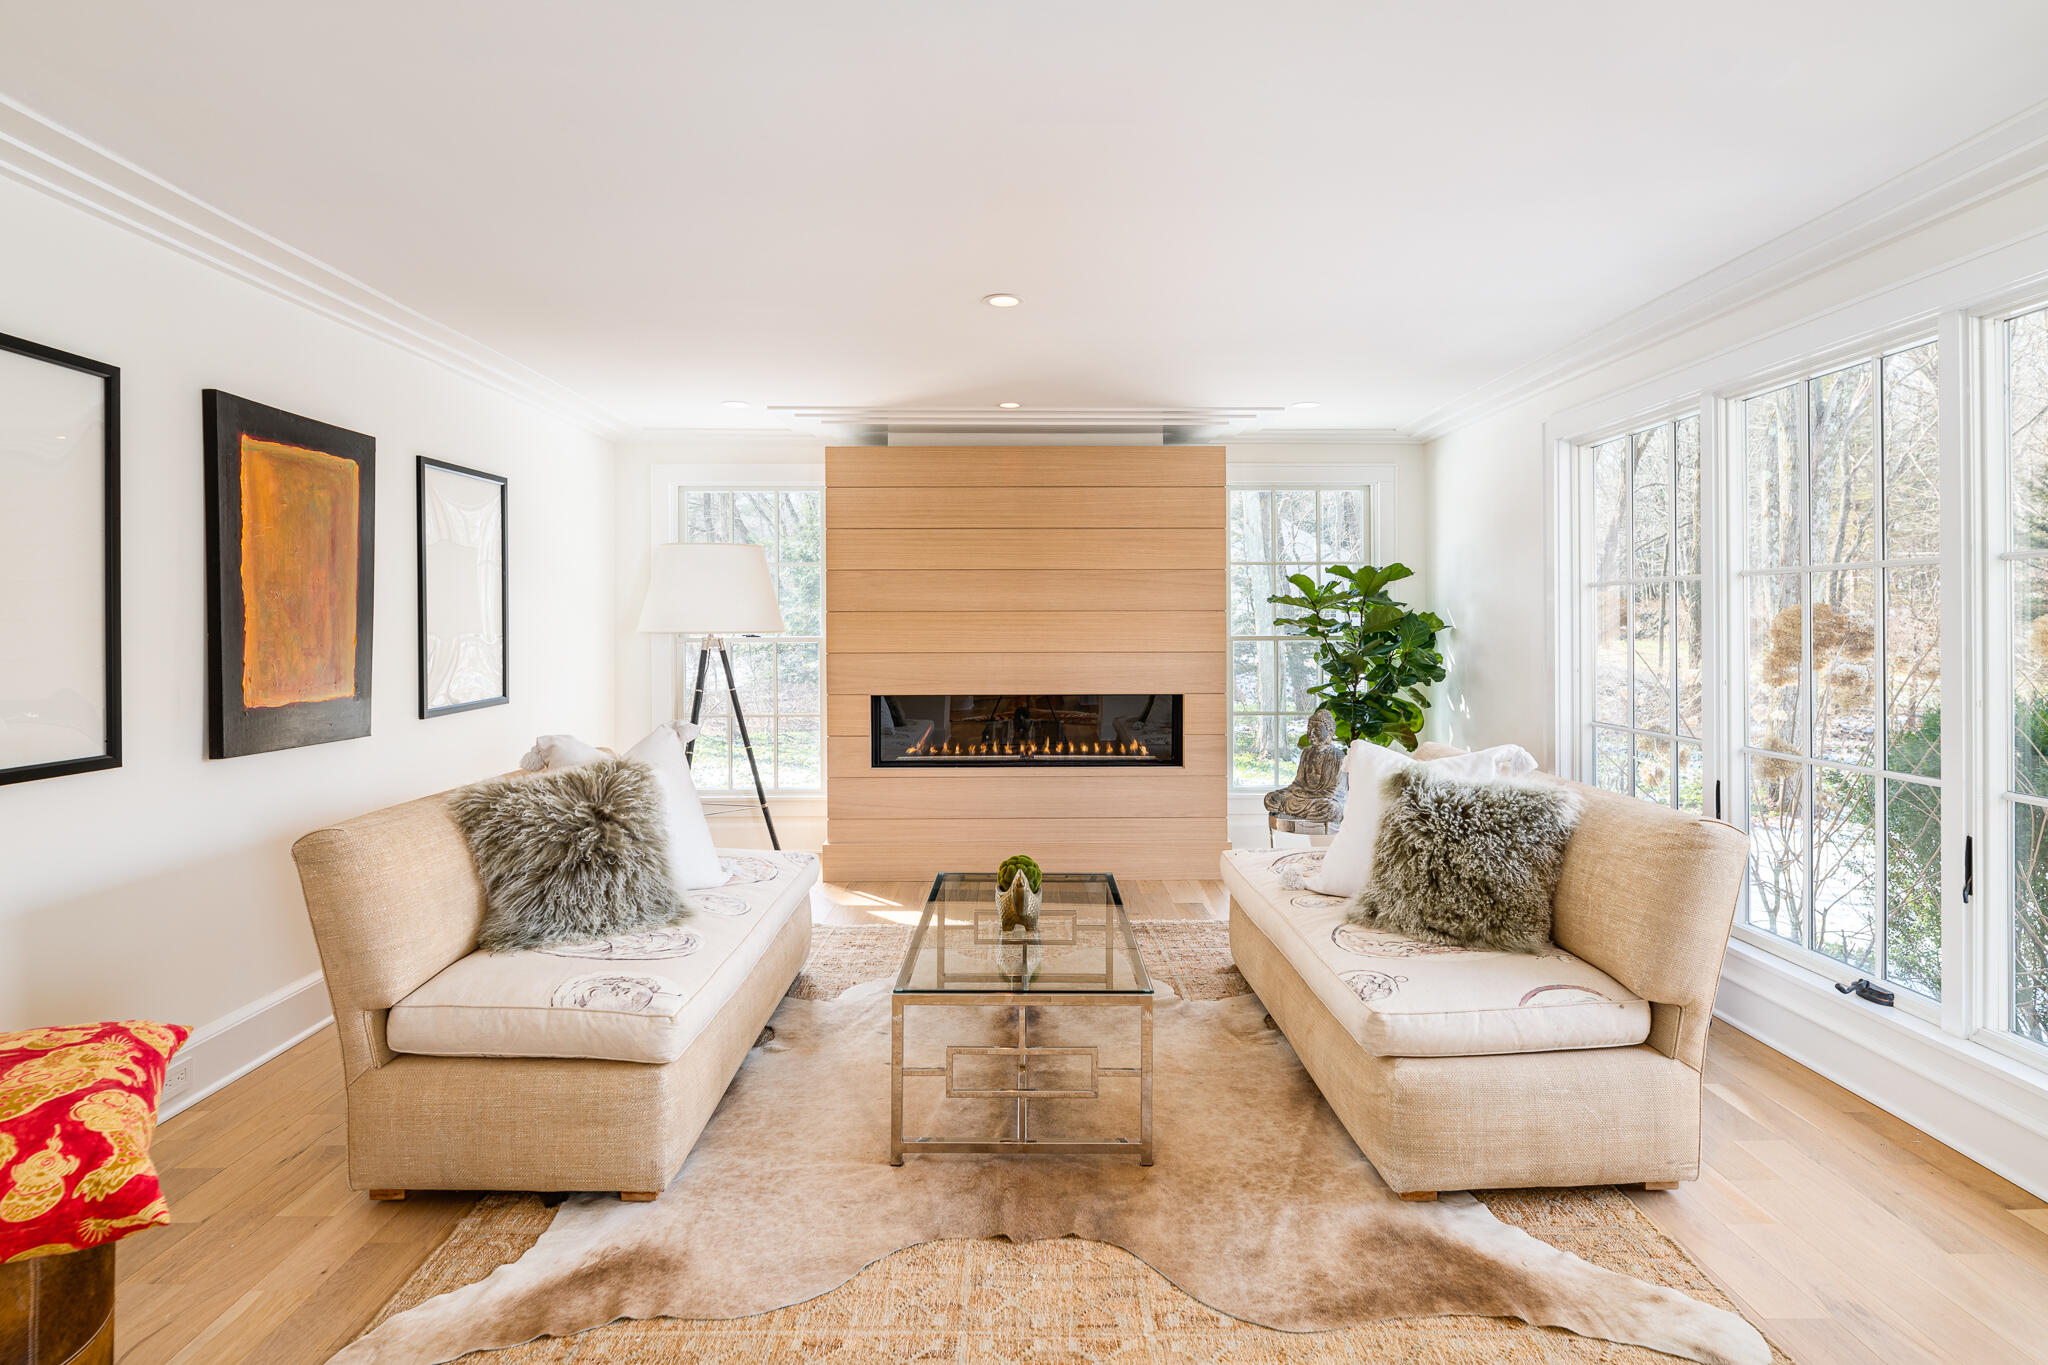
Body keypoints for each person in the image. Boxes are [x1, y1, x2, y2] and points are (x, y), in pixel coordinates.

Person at [1264, 708, 1346, 822]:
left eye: (1316, 729)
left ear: (1330, 731)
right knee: (1271, 799)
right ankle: (1304, 810)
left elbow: (1336, 792)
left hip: (1322, 801)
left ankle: (1305, 811)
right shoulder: (1306, 753)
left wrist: (1307, 794)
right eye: (1309, 728)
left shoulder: (1337, 756)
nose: (1311, 733)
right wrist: (1298, 791)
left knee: (1331, 809)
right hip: (1303, 798)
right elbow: (1298, 783)